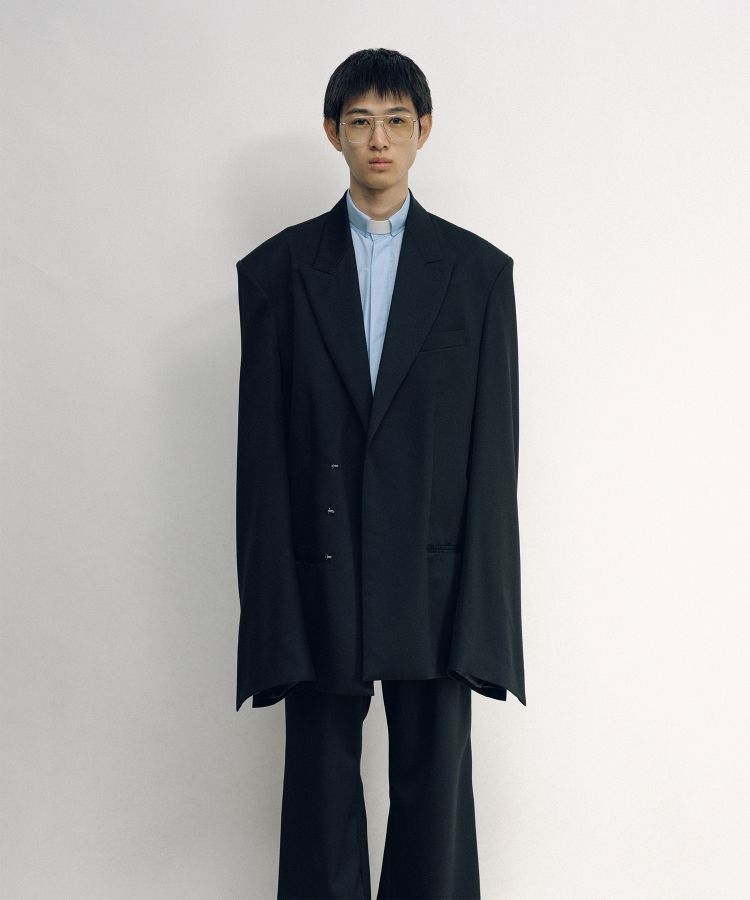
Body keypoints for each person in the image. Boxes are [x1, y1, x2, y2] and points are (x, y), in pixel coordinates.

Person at [234, 47, 526, 900]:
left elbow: (493, 463)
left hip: (434, 581)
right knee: (320, 794)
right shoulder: (277, 274)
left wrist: (486, 620)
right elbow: (261, 467)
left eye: (397, 121)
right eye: (360, 121)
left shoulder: (477, 275)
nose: (379, 140)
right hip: (318, 573)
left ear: (423, 130)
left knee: (436, 797)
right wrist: (271, 615)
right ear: (333, 133)